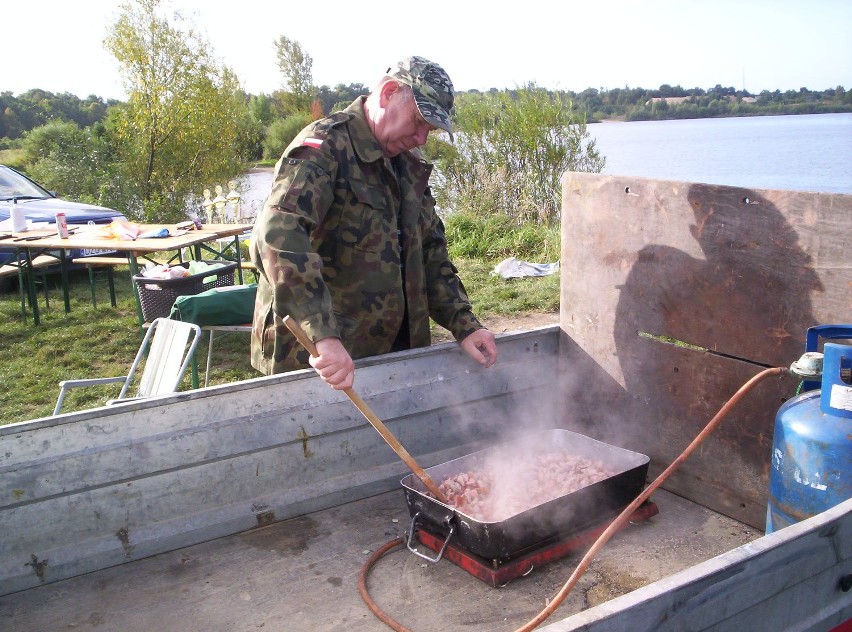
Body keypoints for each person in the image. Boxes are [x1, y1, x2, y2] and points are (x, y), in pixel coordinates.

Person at [250, 56, 498, 391]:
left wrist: (465, 324)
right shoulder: (326, 147)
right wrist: (322, 335)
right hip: (320, 356)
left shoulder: (409, 166)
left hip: (391, 350)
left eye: (431, 129)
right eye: (419, 121)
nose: (422, 138)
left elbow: (430, 252)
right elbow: (279, 236)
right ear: (389, 93)